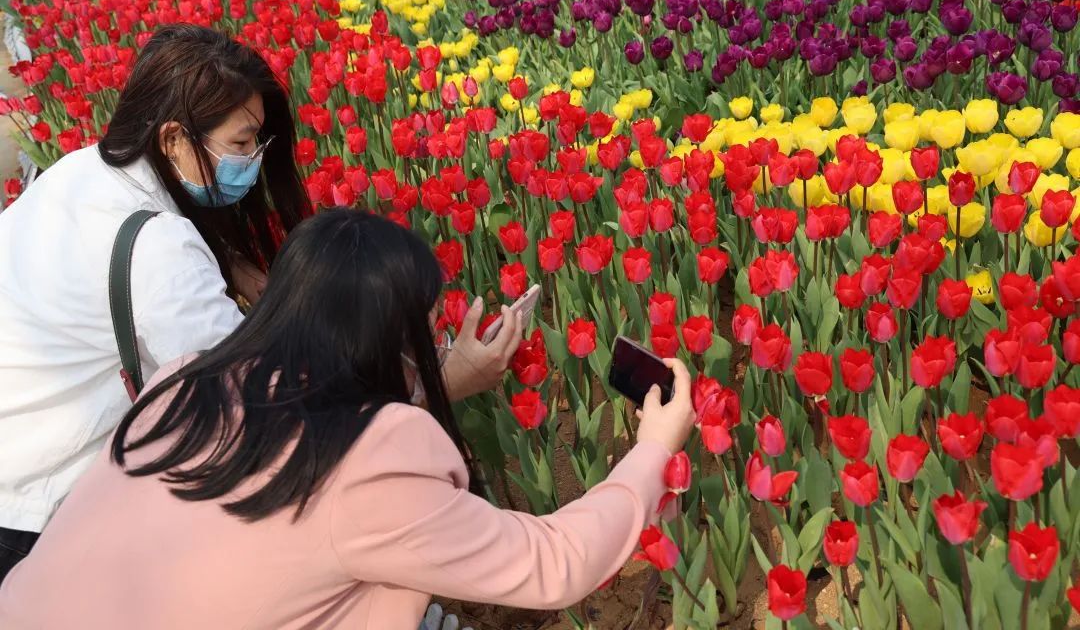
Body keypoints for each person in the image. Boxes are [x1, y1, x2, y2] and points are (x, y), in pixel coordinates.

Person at [0, 209, 696, 629]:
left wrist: (444, 383)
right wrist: (651, 451)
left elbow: (304, 453)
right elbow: (553, 565)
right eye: (424, 333)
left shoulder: (190, 378)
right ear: (388, 341)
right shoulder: (376, 464)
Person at [0, 23, 313, 580]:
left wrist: (228, 260)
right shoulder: (163, 249)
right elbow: (251, 397)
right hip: (42, 512)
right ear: (172, 139)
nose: (255, 161)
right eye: (242, 144)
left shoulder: (80, 169)